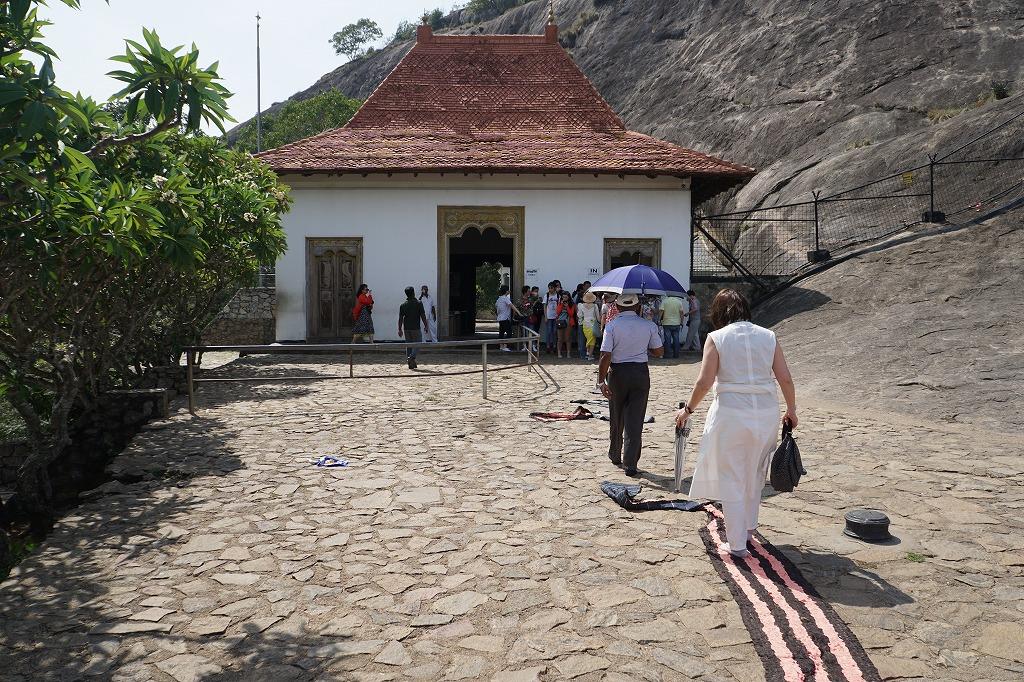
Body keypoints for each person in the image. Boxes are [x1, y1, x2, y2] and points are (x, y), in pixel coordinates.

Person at [675, 289, 797, 558]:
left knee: (732, 475)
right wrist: (791, 409)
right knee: (755, 471)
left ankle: (737, 543)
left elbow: (704, 381)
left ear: (719, 312)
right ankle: (749, 528)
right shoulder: (768, 336)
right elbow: (785, 378)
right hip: (765, 412)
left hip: (731, 413)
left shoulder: (717, 337)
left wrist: (688, 410)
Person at [598, 294, 664, 476]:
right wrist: (644, 346)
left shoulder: (611, 326)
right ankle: (631, 463)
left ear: (618, 308)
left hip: (618, 373)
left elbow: (605, 355)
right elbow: (659, 351)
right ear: (637, 307)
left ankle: (615, 453)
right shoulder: (649, 326)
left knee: (616, 415)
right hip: (640, 373)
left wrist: (601, 381)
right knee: (635, 419)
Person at [398, 286, 429, 369]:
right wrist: (426, 326)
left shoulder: (403, 305)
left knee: (409, 345)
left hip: (406, 328)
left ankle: (410, 362)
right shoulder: (418, 303)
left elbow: (400, 318)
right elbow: (423, 315)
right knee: (418, 343)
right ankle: (411, 357)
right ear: (414, 293)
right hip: (416, 327)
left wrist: (399, 329)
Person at [496, 284, 522, 352]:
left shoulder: (499, 299)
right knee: (509, 332)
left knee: (501, 333)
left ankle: (501, 346)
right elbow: (512, 306)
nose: (509, 291)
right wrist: (519, 312)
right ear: (506, 291)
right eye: (508, 290)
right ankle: (505, 346)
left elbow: (497, 308)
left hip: (500, 318)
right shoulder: (505, 298)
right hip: (505, 318)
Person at [576, 291, 601, 360]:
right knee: (592, 341)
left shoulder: (581, 306)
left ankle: (588, 353)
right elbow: (598, 317)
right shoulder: (595, 306)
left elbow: (579, 315)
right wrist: (600, 323)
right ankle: (590, 356)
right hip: (593, 324)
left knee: (588, 339)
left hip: (585, 324)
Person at [660, 294, 685, 359]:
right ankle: (676, 355)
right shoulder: (679, 302)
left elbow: (661, 311)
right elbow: (681, 313)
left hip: (666, 323)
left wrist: (659, 319)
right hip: (677, 323)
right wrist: (682, 322)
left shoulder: (664, 301)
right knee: (676, 339)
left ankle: (667, 355)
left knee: (667, 340)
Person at [554, 291, 576, 358]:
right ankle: (559, 353)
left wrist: (567, 307)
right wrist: (561, 305)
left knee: (568, 338)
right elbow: (557, 312)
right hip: (560, 322)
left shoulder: (572, 304)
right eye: (563, 297)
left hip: (568, 322)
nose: (564, 298)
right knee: (560, 338)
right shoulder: (559, 303)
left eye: (566, 297)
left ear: (569, 297)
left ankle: (568, 353)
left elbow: (571, 314)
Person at [544, 282, 559, 354]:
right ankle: (548, 346)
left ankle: (554, 346)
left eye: (551, 288)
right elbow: (544, 306)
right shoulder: (546, 295)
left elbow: (560, 306)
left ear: (555, 288)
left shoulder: (558, 295)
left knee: (555, 332)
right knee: (549, 331)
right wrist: (545, 316)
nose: (550, 289)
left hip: (556, 316)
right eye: (549, 288)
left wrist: (558, 316)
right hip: (549, 316)